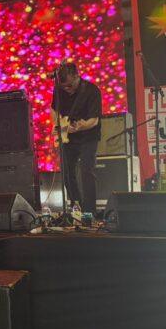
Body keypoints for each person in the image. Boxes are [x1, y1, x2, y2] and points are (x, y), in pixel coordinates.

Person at [51, 62, 102, 215]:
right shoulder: (59, 89)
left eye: (70, 85)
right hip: (68, 137)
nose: (67, 89)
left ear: (77, 76)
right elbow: (53, 109)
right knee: (67, 173)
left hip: (88, 135)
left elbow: (94, 120)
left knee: (87, 171)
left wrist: (78, 127)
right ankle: (76, 207)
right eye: (64, 86)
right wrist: (58, 125)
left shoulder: (91, 91)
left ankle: (90, 212)